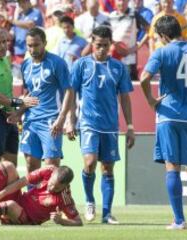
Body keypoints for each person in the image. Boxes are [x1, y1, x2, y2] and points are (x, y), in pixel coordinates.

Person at [140, 15, 187, 230]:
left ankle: (179, 220)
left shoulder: (161, 51)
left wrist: (151, 100)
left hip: (169, 116)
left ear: (162, 35)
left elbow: (144, 78)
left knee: (172, 167)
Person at [67, 25, 135, 224]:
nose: (102, 49)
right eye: (98, 45)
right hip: (88, 123)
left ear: (110, 44)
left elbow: (125, 97)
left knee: (107, 168)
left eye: (106, 45)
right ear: (92, 44)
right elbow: (70, 93)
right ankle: (89, 201)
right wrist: (70, 120)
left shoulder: (118, 67)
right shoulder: (81, 65)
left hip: (110, 126)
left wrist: (130, 126)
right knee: (89, 163)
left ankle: (107, 213)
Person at [0, 28, 38, 206]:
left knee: (10, 164)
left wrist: (14, 111)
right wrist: (19, 103)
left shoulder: (5, 60)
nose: (3, 46)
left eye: (5, 42)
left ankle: (7, 208)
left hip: (7, 116)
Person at [0, 161, 83, 226]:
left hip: (26, 219)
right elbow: (22, 182)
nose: (52, 188)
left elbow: (78, 222)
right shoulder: (48, 170)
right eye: (51, 183)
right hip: (19, 200)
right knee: (7, 166)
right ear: (53, 173)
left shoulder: (65, 197)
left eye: (57, 188)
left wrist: (62, 221)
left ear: (65, 186)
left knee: (10, 205)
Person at [16, 27, 74, 175]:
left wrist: (62, 119)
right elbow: (28, 93)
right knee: (31, 166)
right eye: (29, 45)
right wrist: (19, 113)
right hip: (30, 121)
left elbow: (69, 91)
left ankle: (50, 199)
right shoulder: (25, 65)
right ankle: (33, 198)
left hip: (51, 121)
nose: (32, 49)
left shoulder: (57, 63)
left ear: (44, 43)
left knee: (51, 168)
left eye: (36, 45)